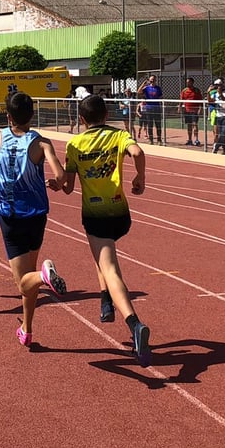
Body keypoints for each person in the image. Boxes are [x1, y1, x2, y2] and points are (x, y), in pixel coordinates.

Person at [0, 92, 67, 348]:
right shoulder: (42, 143)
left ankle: (46, 276)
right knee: (30, 275)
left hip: (10, 216)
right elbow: (61, 176)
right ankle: (27, 328)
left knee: (23, 280)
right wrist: (56, 184)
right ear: (32, 115)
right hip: (36, 215)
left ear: (7, 116)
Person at [62, 95, 152, 366]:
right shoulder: (119, 136)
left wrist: (58, 186)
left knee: (109, 266)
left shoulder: (75, 144)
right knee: (103, 255)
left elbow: (67, 187)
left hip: (95, 215)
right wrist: (140, 177)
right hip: (120, 213)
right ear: (106, 114)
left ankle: (134, 323)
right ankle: (104, 300)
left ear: (81, 119)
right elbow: (138, 152)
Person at [139, 74, 163, 145]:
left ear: (155, 80)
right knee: (150, 125)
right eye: (151, 80)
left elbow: (161, 97)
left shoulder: (158, 88)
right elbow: (139, 91)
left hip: (157, 108)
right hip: (149, 108)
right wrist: (143, 84)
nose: (152, 81)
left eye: (153, 80)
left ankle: (159, 140)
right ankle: (151, 140)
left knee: (158, 124)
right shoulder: (146, 88)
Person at [180, 77, 202, 146]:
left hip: (194, 111)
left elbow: (200, 100)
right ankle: (190, 139)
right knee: (189, 125)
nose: (187, 83)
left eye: (189, 82)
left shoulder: (197, 90)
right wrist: (179, 107)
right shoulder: (184, 90)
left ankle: (196, 139)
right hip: (187, 110)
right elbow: (181, 99)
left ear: (192, 82)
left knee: (195, 124)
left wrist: (200, 109)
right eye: (187, 82)